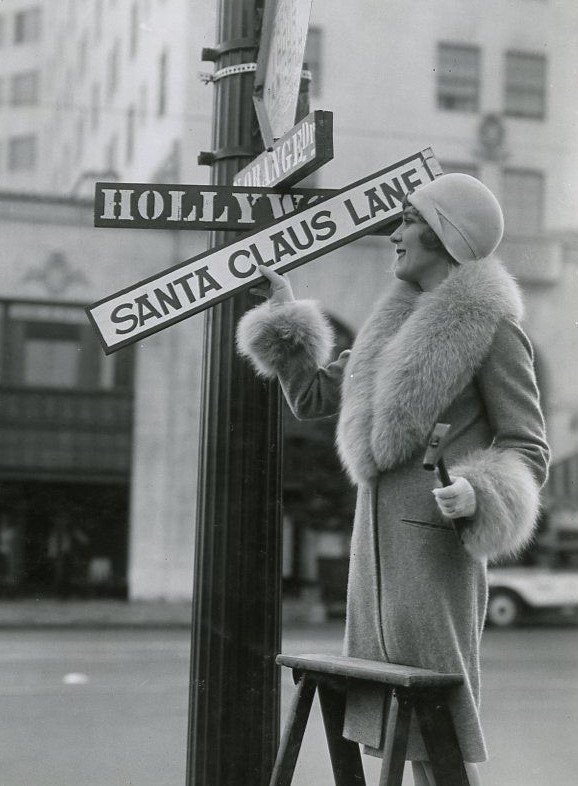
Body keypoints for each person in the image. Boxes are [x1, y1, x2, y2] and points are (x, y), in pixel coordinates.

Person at [236, 173, 550, 785]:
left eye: (407, 220)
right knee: (395, 729)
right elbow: (312, 396)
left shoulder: (492, 329)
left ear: (444, 235)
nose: (394, 234)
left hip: (437, 556)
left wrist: (480, 490)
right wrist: (283, 313)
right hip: (374, 558)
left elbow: (529, 446)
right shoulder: (388, 327)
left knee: (437, 734)